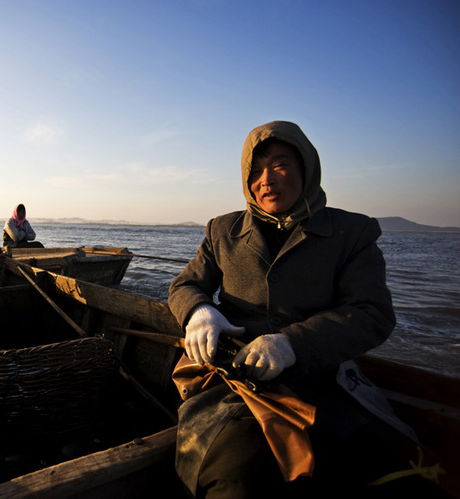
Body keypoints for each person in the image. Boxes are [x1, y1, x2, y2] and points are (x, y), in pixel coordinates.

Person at [168, 121, 437, 497]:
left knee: (398, 476)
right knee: (237, 477)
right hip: (236, 384)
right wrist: (199, 312)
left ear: (307, 167)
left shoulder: (352, 232)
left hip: (324, 382)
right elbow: (186, 284)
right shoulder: (222, 230)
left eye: (280, 164)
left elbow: (371, 312)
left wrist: (292, 344)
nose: (266, 180)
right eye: (255, 171)